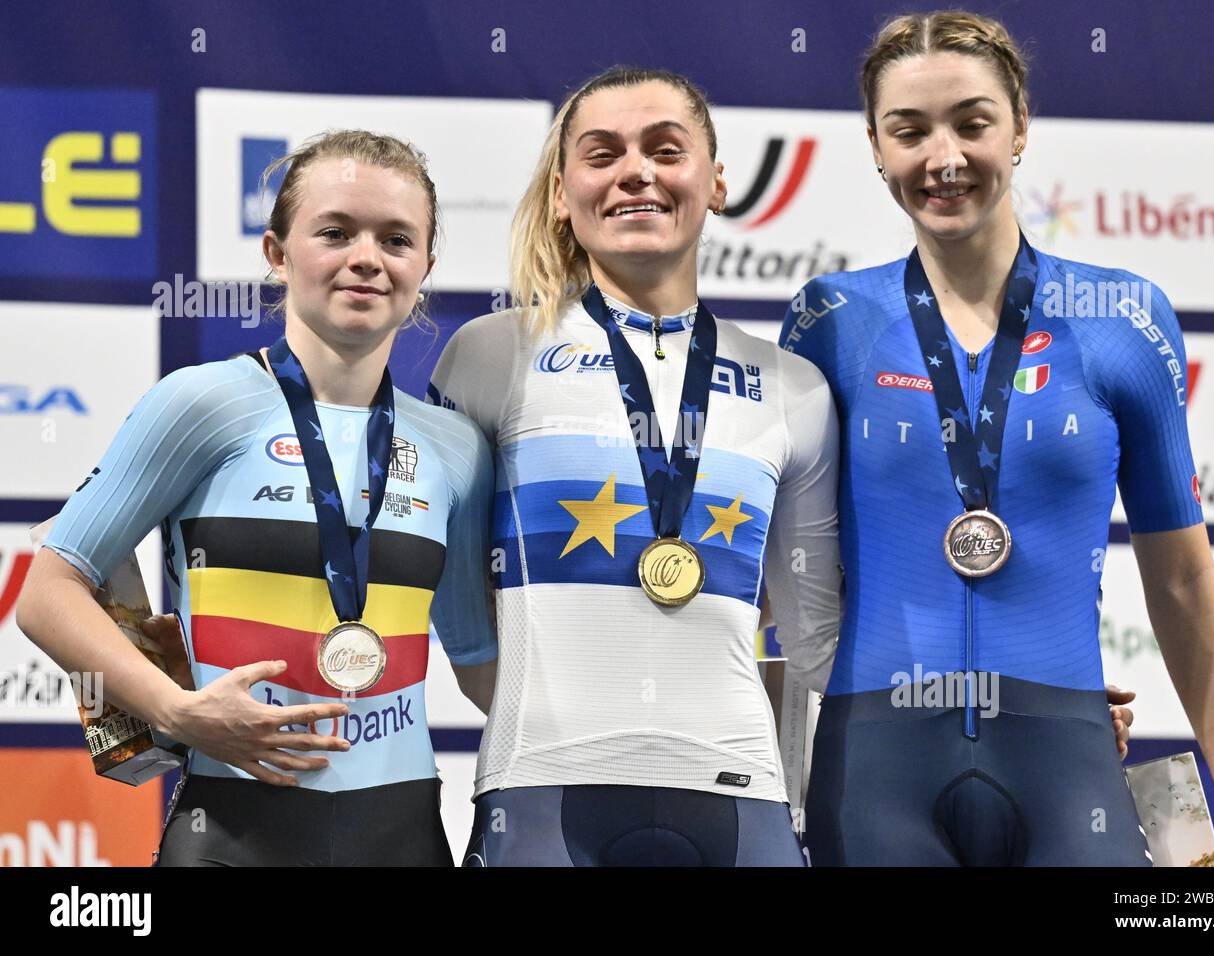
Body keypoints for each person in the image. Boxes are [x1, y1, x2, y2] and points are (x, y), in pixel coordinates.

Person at [780, 10, 1214, 866]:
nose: (944, 158)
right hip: (875, 770)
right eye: (910, 131)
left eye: (972, 123)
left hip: (1065, 759)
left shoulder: (1122, 319)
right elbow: (778, 574)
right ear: (873, 145)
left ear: (1020, 129)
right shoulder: (830, 322)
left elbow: (1184, 580)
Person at [16, 130, 495, 866]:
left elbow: (477, 659)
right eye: (335, 232)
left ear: (425, 266)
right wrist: (177, 711)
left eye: (396, 239)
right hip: (230, 830)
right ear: (277, 253)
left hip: (402, 834)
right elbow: (47, 596)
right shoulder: (203, 404)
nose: (366, 257)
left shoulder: (456, 448)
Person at [426, 67, 842, 866]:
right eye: (603, 152)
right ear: (560, 192)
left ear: (716, 182)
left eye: (665, 149)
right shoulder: (487, 355)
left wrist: (990, 693)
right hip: (540, 788)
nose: (636, 172)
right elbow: (449, 592)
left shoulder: (793, 387)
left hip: (740, 796)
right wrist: (523, 704)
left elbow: (819, 638)